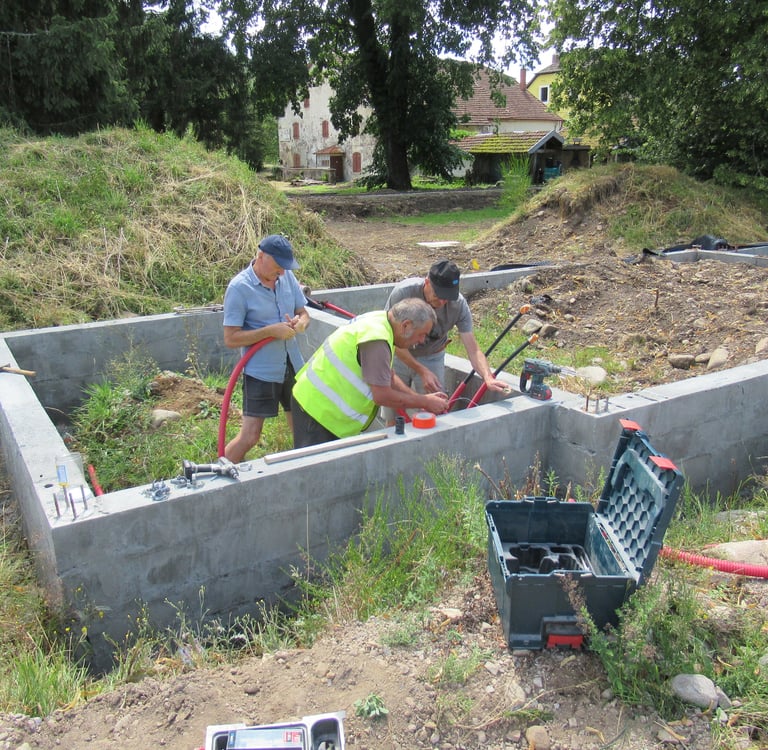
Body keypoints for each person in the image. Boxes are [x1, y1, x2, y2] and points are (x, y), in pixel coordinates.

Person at [291, 298, 449, 449]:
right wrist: (425, 402)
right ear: (406, 325)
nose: (422, 341)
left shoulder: (381, 321)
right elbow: (382, 395)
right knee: (316, 474)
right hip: (318, 413)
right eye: (422, 334)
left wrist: (420, 399)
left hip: (320, 407)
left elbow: (388, 376)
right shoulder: (377, 339)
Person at [382, 259, 508, 422]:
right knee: (394, 412)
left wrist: (488, 377)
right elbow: (389, 337)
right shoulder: (404, 293)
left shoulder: (458, 305)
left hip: (432, 356)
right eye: (438, 295)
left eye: (447, 297)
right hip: (399, 353)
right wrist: (421, 370)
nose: (442, 302)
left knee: (434, 411)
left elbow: (473, 349)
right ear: (427, 282)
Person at [222, 234, 310, 463]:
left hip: (293, 363)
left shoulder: (286, 276)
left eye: (285, 268)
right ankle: (217, 475)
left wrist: (300, 323)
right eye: (278, 266)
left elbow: (304, 312)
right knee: (250, 436)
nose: (281, 272)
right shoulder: (239, 288)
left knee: (302, 430)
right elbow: (231, 338)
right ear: (261, 256)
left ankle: (302, 476)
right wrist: (270, 331)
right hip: (261, 371)